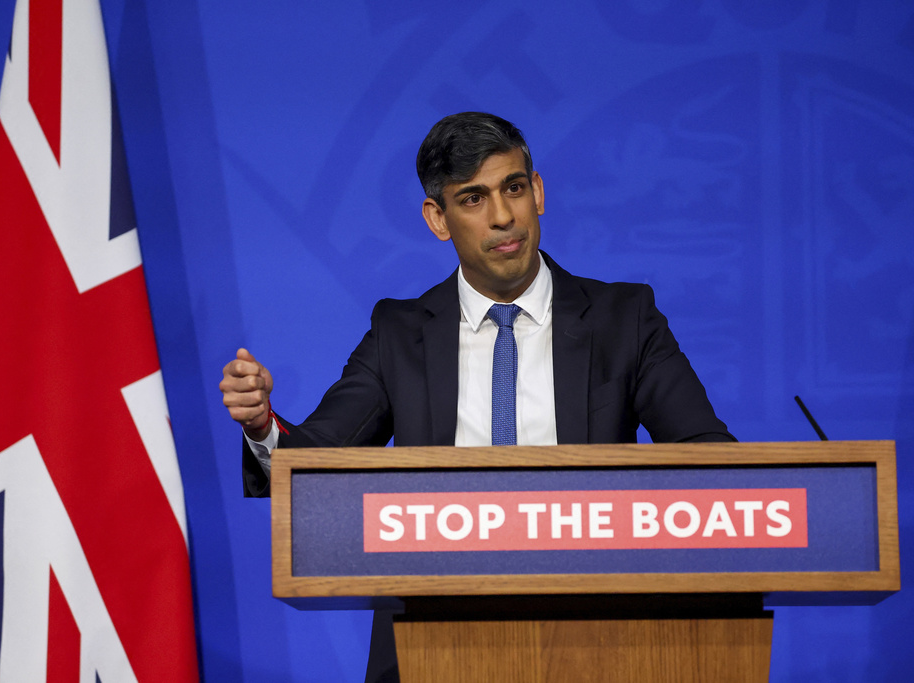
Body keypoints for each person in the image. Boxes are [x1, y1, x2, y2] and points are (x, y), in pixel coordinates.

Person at [220, 112, 735, 682]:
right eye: (473, 198)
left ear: (537, 191)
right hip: (430, 641)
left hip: (596, 637)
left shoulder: (624, 320)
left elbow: (708, 458)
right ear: (438, 219)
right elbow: (315, 460)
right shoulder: (401, 333)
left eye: (513, 187)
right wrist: (263, 424)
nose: (502, 216)